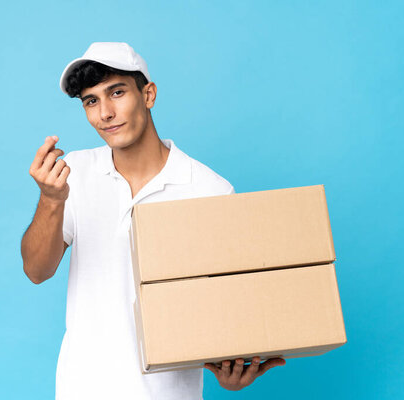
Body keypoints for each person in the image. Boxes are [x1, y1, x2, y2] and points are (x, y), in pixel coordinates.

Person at [20, 42, 285, 399]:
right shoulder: (76, 173)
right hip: (81, 389)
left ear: (148, 94)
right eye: (91, 101)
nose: (106, 113)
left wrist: (232, 367)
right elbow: (37, 270)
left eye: (116, 92)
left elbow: (227, 310)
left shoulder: (210, 190)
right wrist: (52, 200)